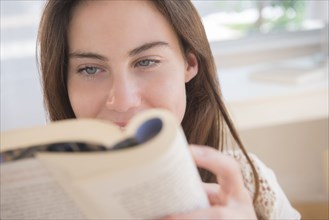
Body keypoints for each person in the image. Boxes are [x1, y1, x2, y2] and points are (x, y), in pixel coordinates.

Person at [38, 0, 300, 219]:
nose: (123, 101)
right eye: (90, 69)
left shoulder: (250, 184)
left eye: (147, 62)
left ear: (189, 64)